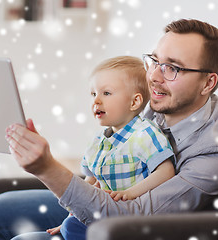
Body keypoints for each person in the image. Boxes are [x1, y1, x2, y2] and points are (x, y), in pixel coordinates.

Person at [0, 18, 218, 240]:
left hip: (135, 228)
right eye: (154, 61)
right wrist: (91, 182)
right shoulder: (162, 102)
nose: (153, 76)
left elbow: (129, 219)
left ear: (207, 83)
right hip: (113, 199)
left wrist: (47, 168)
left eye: (172, 68)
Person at [46, 56, 175, 236]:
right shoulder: (98, 142)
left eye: (106, 93)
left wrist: (130, 193)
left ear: (134, 102)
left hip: (132, 219)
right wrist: (73, 214)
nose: (96, 101)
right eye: (93, 94)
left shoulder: (145, 133)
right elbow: (90, 180)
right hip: (103, 213)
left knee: (72, 228)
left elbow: (166, 171)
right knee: (70, 225)